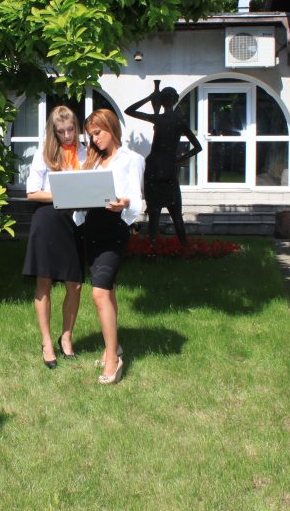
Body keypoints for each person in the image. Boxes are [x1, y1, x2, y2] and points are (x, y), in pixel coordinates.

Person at [78, 109, 144, 384]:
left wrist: (124, 203)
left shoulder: (132, 159)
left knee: (99, 293)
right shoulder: (92, 161)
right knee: (109, 291)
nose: (94, 139)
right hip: (91, 229)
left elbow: (137, 200)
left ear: (112, 128)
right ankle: (112, 348)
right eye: (91, 135)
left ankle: (113, 362)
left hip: (114, 229)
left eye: (98, 133)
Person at [22, 105, 87, 370]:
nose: (67, 135)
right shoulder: (44, 153)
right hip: (48, 220)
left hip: (76, 221)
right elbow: (31, 192)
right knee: (45, 281)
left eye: (71, 129)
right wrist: (62, 194)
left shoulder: (85, 152)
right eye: (61, 131)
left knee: (75, 284)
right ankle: (47, 342)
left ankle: (66, 337)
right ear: (54, 131)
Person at [125, 86, 202, 247]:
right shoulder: (178, 121)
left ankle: (153, 249)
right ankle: (184, 247)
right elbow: (197, 147)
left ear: (162, 100)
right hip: (168, 168)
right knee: (176, 215)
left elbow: (129, 111)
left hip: (154, 168)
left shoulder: (158, 119)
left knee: (154, 214)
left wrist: (149, 98)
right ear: (174, 100)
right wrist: (179, 159)